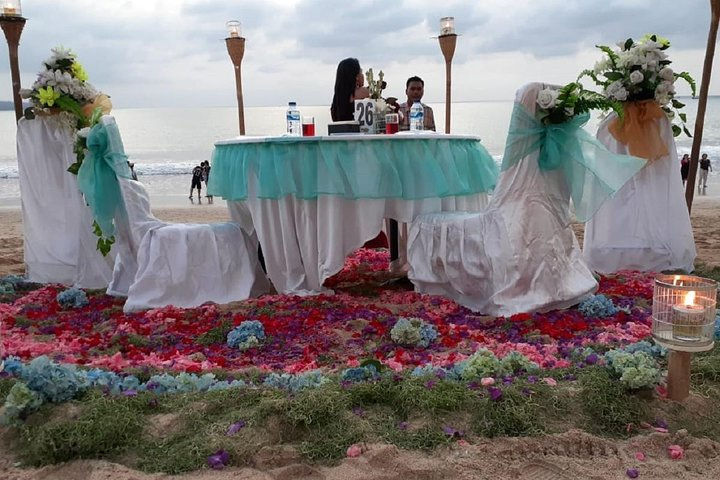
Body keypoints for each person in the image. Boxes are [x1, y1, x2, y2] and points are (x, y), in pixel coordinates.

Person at [330, 57, 369, 122]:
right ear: (356, 77)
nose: (362, 75)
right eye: (361, 71)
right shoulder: (364, 92)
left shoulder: (336, 100)